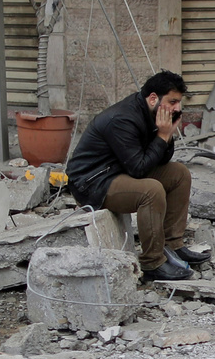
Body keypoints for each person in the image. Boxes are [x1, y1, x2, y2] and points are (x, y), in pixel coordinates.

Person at [66, 71, 206, 282]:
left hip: (119, 170)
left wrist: (167, 135)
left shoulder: (151, 113)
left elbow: (162, 160)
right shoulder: (122, 119)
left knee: (179, 173)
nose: (178, 108)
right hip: (93, 182)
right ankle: (152, 263)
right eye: (173, 101)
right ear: (153, 98)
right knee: (151, 190)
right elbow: (138, 170)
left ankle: (173, 245)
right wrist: (163, 135)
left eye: (179, 102)